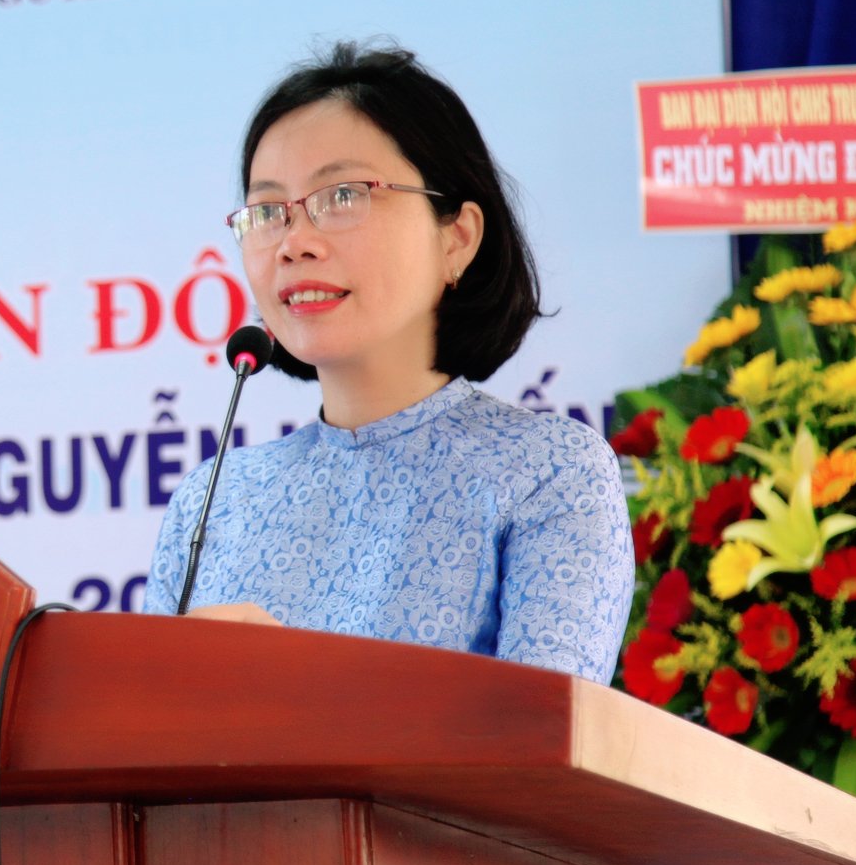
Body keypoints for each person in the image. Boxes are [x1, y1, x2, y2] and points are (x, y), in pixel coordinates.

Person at [146, 42, 632, 682]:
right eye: (267, 212)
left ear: (457, 237)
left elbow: (545, 732)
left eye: (343, 195)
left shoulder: (548, 471)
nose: (293, 243)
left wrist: (289, 688)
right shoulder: (213, 501)